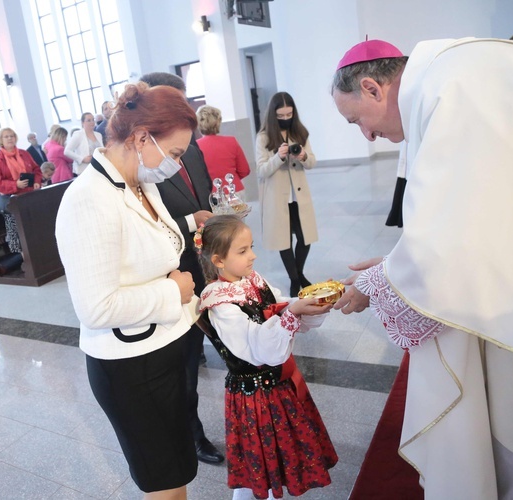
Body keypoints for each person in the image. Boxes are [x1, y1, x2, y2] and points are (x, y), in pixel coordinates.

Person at [331, 38, 513, 499]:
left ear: (373, 88)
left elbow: (449, 236)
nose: (365, 135)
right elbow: (484, 213)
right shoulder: (460, 69)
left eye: (356, 119)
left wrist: (378, 284)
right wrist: (397, 263)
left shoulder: (456, 86)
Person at [55, 82, 200, 499]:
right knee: (164, 483)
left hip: (164, 349)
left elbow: (149, 240)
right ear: (141, 138)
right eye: (173, 153)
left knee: (177, 473)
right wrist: (174, 292)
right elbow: (96, 307)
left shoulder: (140, 182)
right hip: (131, 368)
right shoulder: (88, 199)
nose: (175, 164)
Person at [196, 215, 337, 499]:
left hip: (278, 388)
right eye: (243, 250)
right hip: (255, 397)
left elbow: (277, 305)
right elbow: (258, 347)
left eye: (251, 247)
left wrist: (301, 304)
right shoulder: (219, 302)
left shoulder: (252, 279)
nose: (253, 255)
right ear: (218, 260)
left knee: (275, 460)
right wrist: (293, 313)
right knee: (262, 463)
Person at [139, 71, 223, 466]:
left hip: (210, 265)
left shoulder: (189, 147)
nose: (184, 111)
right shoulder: (145, 164)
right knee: (186, 371)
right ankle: (193, 434)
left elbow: (203, 194)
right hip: (177, 275)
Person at [256, 92, 319, 297]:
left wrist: (303, 155)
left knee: (305, 238)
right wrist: (278, 157)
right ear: (273, 116)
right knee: (284, 240)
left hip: (299, 197)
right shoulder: (264, 137)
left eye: (289, 114)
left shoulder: (301, 132)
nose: (285, 119)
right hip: (278, 198)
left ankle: (299, 274)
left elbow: (311, 163)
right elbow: (262, 171)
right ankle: (294, 280)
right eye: (280, 116)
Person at [0, 127, 42, 254]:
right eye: (6, 136)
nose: (9, 138)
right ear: (1, 140)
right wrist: (15, 185)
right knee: (17, 233)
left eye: (12, 136)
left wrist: (36, 181)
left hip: (28, 196)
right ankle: (22, 258)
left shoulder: (24, 153)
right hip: (11, 200)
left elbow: (36, 170)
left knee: (33, 229)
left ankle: (37, 253)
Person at [196, 105, 250, 196]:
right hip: (234, 190)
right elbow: (244, 170)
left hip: (211, 194)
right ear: (218, 122)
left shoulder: (195, 147)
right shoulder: (231, 141)